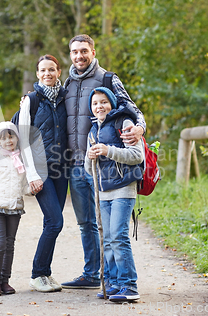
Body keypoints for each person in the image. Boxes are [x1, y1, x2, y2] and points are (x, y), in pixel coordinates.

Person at [61, 34, 146, 289]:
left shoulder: (108, 79)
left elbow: (132, 109)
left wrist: (140, 127)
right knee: (86, 223)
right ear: (70, 54)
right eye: (74, 52)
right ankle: (92, 274)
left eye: (84, 51)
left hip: (105, 166)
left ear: (93, 52)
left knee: (108, 227)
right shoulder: (67, 84)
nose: (79, 56)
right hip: (77, 163)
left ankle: (116, 279)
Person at [84, 87, 143, 301]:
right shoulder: (92, 131)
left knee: (118, 236)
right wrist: (90, 156)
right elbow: (89, 170)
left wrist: (108, 150)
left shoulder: (124, 123)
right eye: (95, 103)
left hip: (124, 188)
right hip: (104, 192)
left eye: (103, 102)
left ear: (112, 103)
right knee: (107, 239)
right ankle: (113, 283)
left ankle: (129, 285)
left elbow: (137, 156)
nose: (99, 106)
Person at [18, 54, 68, 292]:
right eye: (42, 70)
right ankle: (37, 274)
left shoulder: (65, 97)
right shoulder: (31, 100)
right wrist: (31, 175)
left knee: (53, 223)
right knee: (55, 221)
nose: (47, 74)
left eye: (51, 70)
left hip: (61, 168)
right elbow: (23, 140)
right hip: (40, 171)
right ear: (37, 73)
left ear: (59, 71)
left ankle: (45, 273)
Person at [0, 121, 31, 296]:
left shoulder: (21, 160)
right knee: (0, 244)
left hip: (15, 208)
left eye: (11, 136)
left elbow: (23, 184)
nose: (8, 141)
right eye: (4, 138)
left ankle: (5, 281)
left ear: (17, 138)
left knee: (9, 245)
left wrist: (31, 189)